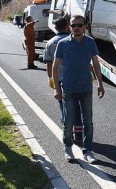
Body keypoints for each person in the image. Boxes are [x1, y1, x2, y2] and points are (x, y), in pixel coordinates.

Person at [52, 14, 104, 163]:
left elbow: (95, 63)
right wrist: (57, 88)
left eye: (79, 25)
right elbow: (55, 67)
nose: (76, 28)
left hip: (86, 88)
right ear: (69, 27)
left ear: (85, 27)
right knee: (68, 121)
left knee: (88, 121)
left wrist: (100, 83)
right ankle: (68, 147)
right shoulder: (63, 44)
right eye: (73, 25)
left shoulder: (90, 43)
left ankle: (88, 151)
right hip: (68, 88)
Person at [44, 17, 83, 145]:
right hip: (76, 79)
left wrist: (51, 79)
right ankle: (78, 134)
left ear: (55, 28)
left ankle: (68, 133)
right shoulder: (75, 40)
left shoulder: (50, 43)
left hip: (59, 80)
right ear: (68, 26)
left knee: (64, 107)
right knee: (77, 107)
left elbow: (49, 64)